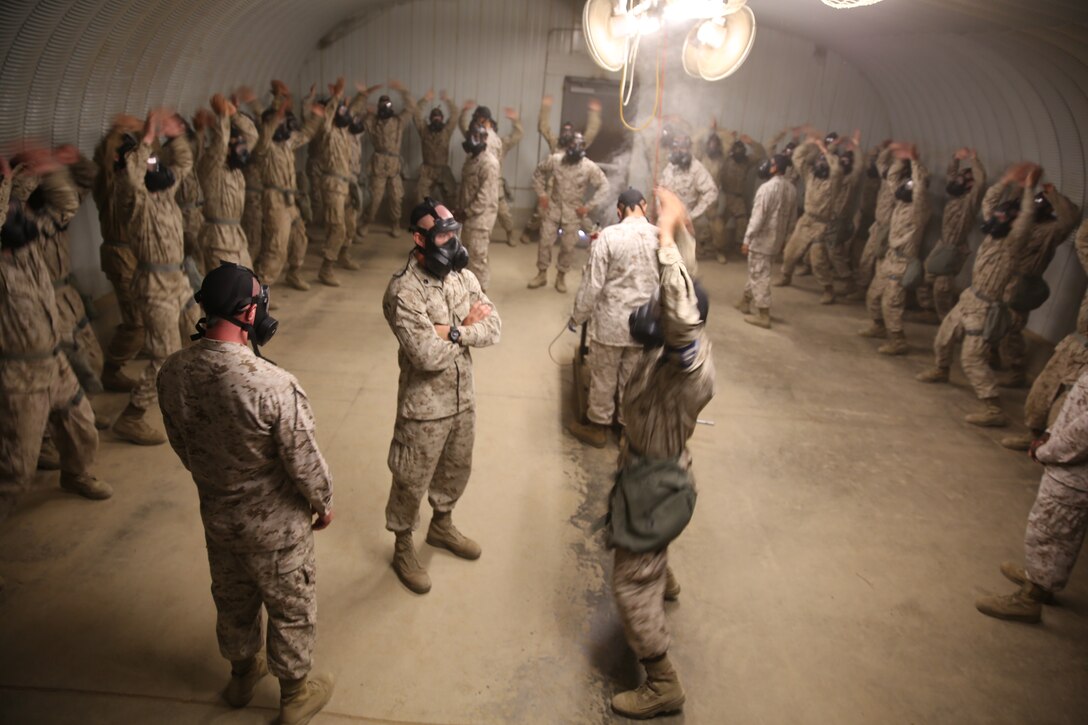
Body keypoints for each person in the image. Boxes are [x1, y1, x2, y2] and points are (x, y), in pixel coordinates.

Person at [157, 262, 335, 724]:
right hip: (277, 529)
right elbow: (305, 464)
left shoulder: (172, 373)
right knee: (290, 604)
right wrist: (323, 502)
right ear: (248, 311)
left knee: (233, 598)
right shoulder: (273, 385)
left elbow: (183, 443)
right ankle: (295, 694)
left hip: (218, 519)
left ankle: (241, 674)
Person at [608, 186, 715, 720]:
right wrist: (680, 230)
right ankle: (660, 571)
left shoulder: (686, 364)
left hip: (657, 482)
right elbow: (684, 295)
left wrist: (669, 237)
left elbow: (679, 304)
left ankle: (662, 681)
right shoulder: (682, 350)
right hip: (649, 468)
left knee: (629, 583)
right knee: (644, 557)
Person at [1, 151, 111, 594]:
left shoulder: (29, 248)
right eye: (14, 216)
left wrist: (41, 169)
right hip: (18, 376)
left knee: (80, 421)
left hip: (52, 359)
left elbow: (60, 206)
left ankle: (76, 471)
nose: (25, 220)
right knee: (16, 468)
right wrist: (6, 182)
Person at [381, 199, 501, 594]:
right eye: (442, 235)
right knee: (411, 478)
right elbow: (426, 357)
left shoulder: (461, 276)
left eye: (454, 233)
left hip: (461, 397)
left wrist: (451, 331)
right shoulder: (404, 290)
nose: (451, 242)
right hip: (423, 408)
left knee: (456, 467)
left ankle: (442, 525)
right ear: (420, 238)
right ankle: (403, 545)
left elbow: (494, 327)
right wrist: (466, 328)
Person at [916, 163, 1041, 427]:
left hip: (985, 309)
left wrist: (1029, 189)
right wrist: (1006, 180)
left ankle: (993, 408)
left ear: (1012, 224)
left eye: (1002, 218)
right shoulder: (993, 236)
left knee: (972, 358)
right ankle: (941, 369)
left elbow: (1027, 217)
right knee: (943, 338)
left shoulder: (1011, 244)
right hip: (969, 299)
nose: (995, 219)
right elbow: (990, 201)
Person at [110, 110, 201, 446]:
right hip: (154, 288)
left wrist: (173, 134)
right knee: (163, 353)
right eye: (150, 164)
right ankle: (132, 416)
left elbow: (183, 163)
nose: (157, 168)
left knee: (198, 335)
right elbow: (131, 179)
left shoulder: (164, 194)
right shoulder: (136, 203)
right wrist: (147, 137)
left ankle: (188, 394)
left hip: (178, 281)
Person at [975, 367, 1088, 624]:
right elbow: (1076, 407)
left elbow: (1082, 433)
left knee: (1053, 532)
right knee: (1050, 532)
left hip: (1074, 472)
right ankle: (1040, 579)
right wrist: (1048, 435)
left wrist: (1046, 451)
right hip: (1067, 463)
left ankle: (1031, 598)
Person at [567, 187, 660, 447]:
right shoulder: (661, 237)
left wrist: (577, 316)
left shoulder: (608, 237)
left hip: (611, 323)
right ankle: (627, 431)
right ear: (644, 206)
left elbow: (592, 285)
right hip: (645, 325)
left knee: (603, 376)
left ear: (619, 211)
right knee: (633, 379)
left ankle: (598, 427)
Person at [1001, 219, 1088, 451]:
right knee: (1042, 392)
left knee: (1065, 406)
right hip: (1075, 345)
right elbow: (1082, 241)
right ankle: (1033, 435)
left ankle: (1051, 449)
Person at [997, 183, 1080, 387]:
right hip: (1004, 277)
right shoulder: (1026, 223)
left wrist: (1053, 195)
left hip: (1022, 284)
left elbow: (1070, 217)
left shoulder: (1051, 230)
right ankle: (993, 357)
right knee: (995, 322)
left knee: (1012, 328)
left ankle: (1016, 371)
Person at [858, 144, 930, 355]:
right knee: (873, 295)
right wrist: (900, 159)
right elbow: (891, 179)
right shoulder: (900, 204)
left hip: (902, 262)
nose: (903, 190)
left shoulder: (920, 210)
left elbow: (919, 190)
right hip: (889, 257)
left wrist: (915, 160)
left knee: (892, 303)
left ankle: (898, 340)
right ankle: (878, 326)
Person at [252, 82, 324, 292]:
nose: (283, 125)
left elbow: (306, 134)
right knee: (277, 246)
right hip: (274, 201)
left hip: (289, 200)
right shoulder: (264, 147)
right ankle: (261, 291)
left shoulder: (286, 144)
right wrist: (279, 111)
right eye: (279, 122)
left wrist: (317, 116)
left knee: (299, 237)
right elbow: (266, 131)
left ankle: (294, 273)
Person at [92, 115, 144, 392]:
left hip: (135, 255)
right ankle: (112, 369)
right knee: (135, 320)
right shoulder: (108, 184)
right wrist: (115, 132)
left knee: (141, 316)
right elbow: (105, 163)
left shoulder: (132, 182)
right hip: (120, 256)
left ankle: (127, 354)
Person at [528, 133, 610, 293]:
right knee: (544, 242)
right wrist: (542, 194)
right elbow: (538, 172)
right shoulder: (556, 160)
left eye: (577, 146)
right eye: (571, 145)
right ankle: (541, 274)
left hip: (574, 212)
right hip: (553, 208)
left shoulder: (589, 167)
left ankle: (561, 277)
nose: (573, 149)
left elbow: (604, 186)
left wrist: (588, 206)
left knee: (568, 246)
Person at [915, 149, 987, 320]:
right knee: (924, 276)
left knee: (943, 287)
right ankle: (928, 309)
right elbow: (951, 175)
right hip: (942, 245)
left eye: (962, 180)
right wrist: (955, 158)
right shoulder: (955, 197)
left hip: (955, 248)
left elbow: (981, 182)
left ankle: (945, 318)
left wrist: (974, 160)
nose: (957, 181)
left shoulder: (969, 203)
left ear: (969, 186)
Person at [519, 94, 600, 244]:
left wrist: (594, 114)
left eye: (570, 131)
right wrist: (546, 108)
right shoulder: (556, 143)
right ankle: (529, 230)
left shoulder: (579, 145)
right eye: (565, 130)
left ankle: (596, 236)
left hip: (574, 187)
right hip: (554, 184)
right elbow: (543, 127)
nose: (567, 133)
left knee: (580, 215)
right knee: (541, 211)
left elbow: (591, 133)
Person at [194, 93, 259, 273]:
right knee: (227, 292)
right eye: (236, 145)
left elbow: (252, 136)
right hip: (218, 241)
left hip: (236, 238)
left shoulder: (235, 169)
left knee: (249, 285)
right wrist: (222, 115)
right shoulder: (212, 166)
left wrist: (234, 114)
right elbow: (220, 144)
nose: (242, 150)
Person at [737, 154, 797, 329]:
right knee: (759, 271)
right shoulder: (791, 188)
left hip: (762, 241)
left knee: (759, 275)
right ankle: (745, 301)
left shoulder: (767, 188)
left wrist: (747, 239)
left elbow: (758, 217)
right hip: (776, 242)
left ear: (775, 167)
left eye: (770, 164)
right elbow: (792, 219)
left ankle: (764, 314)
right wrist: (786, 239)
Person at [316, 78, 367, 286]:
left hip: (346, 184)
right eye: (342, 112)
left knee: (349, 224)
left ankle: (343, 254)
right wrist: (336, 96)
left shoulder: (344, 132)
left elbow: (351, 110)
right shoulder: (328, 132)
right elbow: (329, 115)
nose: (347, 117)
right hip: (332, 186)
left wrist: (361, 96)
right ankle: (325, 268)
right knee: (336, 227)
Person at [773, 136, 842, 288]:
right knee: (790, 252)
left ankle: (827, 288)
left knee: (817, 260)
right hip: (806, 220)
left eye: (823, 161)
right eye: (819, 160)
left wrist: (826, 151)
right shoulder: (810, 176)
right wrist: (811, 143)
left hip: (821, 225)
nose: (820, 163)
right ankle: (786, 276)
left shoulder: (833, 182)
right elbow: (798, 158)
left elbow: (836, 169)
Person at [459, 103, 523, 245]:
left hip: (494, 181)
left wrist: (515, 120)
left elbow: (517, 135)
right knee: (470, 209)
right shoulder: (474, 136)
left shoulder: (500, 142)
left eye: (481, 119)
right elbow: (463, 127)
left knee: (503, 212)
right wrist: (463, 112)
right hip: (475, 180)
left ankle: (510, 232)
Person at [358, 81, 416, 237]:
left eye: (387, 104)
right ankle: (367, 222)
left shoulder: (398, 122)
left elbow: (411, 107)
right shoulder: (372, 121)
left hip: (394, 166)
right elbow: (359, 110)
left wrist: (402, 89)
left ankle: (395, 223)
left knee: (396, 197)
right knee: (375, 198)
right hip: (378, 165)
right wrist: (365, 94)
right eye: (382, 104)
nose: (385, 107)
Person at [658, 135, 718, 261]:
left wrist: (692, 215)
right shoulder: (671, 166)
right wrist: (660, 211)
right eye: (676, 148)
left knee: (682, 261)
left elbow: (712, 192)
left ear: (689, 149)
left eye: (683, 148)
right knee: (663, 257)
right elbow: (661, 189)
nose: (678, 151)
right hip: (667, 221)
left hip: (684, 224)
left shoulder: (696, 169)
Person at [457, 124, 501, 291]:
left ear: (485, 139)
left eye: (478, 136)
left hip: (480, 219)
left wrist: (466, 212)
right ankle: (470, 290)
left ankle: (481, 295)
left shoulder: (489, 163)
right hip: (468, 217)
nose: (473, 139)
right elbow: (464, 188)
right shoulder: (470, 159)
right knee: (468, 256)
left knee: (477, 258)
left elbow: (484, 197)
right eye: (472, 135)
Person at [715, 130, 766, 263]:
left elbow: (761, 154)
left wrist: (751, 143)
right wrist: (730, 137)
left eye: (741, 150)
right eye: (736, 150)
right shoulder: (726, 159)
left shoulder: (746, 161)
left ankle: (738, 246)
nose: (738, 153)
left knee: (743, 222)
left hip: (738, 198)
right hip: (725, 197)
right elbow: (720, 147)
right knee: (719, 226)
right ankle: (719, 250)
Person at [413, 89, 458, 206]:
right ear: (430, 118)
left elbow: (454, 115)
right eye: (434, 117)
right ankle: (422, 220)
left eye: (438, 117)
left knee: (453, 195)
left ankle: (452, 220)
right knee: (419, 194)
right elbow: (416, 115)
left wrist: (448, 100)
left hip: (443, 169)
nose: (436, 119)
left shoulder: (446, 131)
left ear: (442, 119)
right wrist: (425, 100)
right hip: (427, 169)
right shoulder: (424, 130)